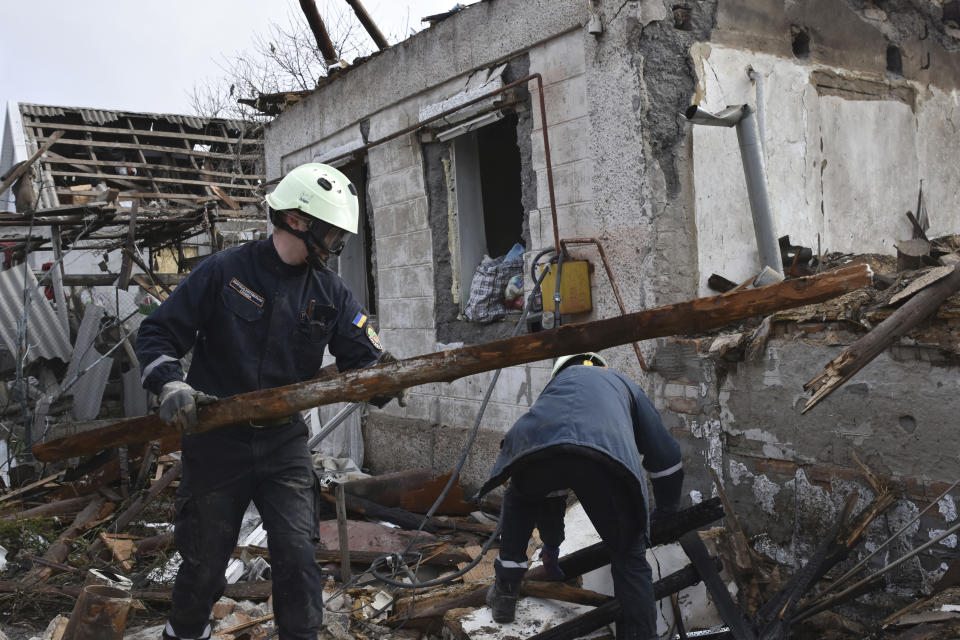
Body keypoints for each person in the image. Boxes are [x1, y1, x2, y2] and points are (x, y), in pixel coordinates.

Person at [136, 163, 396, 640]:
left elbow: (364, 361)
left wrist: (382, 379)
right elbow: (156, 332)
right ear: (298, 220)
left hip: (283, 446)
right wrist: (169, 383)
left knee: (298, 559)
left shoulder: (331, 292)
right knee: (204, 566)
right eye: (333, 233)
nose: (338, 245)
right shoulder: (225, 271)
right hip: (217, 442)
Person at [474, 352, 683, 640]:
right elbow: (666, 455)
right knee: (629, 555)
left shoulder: (554, 391)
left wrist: (551, 545)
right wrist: (668, 509)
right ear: (601, 367)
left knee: (520, 497)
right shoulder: (622, 383)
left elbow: (549, 494)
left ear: (559, 373)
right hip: (606, 458)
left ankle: (505, 594)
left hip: (536, 450)